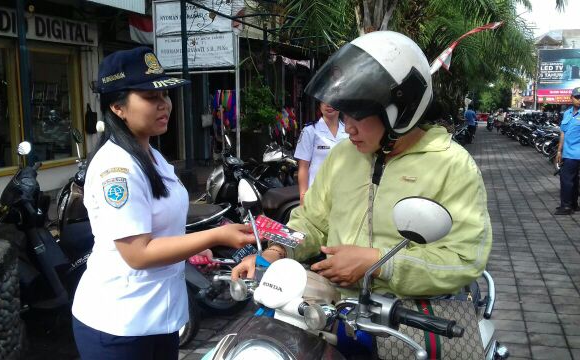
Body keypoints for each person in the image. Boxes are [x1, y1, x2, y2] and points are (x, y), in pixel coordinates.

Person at [232, 31, 492, 299]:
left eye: (359, 114)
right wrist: (276, 251)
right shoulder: (342, 155)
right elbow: (311, 222)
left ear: (402, 108)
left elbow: (464, 258)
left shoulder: (452, 165)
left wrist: (379, 264)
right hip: (335, 310)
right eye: (345, 113)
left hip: (408, 317)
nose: (349, 127)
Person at [70, 47, 256, 360]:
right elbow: (138, 254)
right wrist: (215, 236)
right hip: (119, 324)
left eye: (166, 95)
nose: (163, 105)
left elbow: (159, 225)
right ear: (118, 107)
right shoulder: (116, 169)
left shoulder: (151, 155)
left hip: (157, 316)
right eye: (150, 97)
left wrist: (194, 246)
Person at [294, 102, 349, 203]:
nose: (329, 105)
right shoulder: (310, 130)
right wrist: (303, 195)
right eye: (324, 101)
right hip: (317, 193)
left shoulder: (348, 131)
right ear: (319, 105)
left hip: (344, 191)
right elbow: (303, 166)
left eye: (333, 101)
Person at [554, 87, 580, 215]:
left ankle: (566, 206)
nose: (579, 100)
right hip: (568, 153)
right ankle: (573, 204)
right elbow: (563, 132)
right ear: (571, 98)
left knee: (567, 180)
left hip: (577, 153)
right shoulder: (567, 113)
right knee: (573, 180)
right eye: (577, 97)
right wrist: (559, 151)